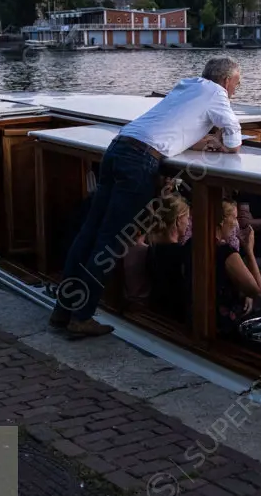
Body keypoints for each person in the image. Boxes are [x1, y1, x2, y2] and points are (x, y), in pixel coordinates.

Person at [49, 56, 243, 338]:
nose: (235, 91)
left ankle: (61, 311)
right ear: (226, 81)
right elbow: (234, 141)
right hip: (139, 162)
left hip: (118, 149)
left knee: (88, 236)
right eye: (236, 85)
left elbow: (171, 128)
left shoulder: (187, 86)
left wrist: (204, 140)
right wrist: (223, 145)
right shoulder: (217, 93)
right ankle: (82, 317)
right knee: (109, 243)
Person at [216, 199, 261, 335]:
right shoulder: (226, 252)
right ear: (222, 221)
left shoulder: (194, 242)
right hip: (222, 326)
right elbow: (257, 290)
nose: (236, 224)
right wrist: (249, 251)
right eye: (234, 218)